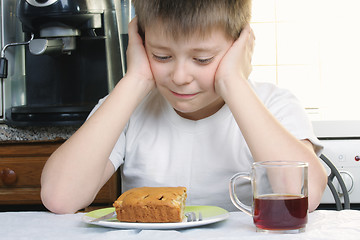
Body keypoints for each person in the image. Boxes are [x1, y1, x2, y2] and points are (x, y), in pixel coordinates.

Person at [40, 0, 327, 214]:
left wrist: (233, 81)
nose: (179, 77)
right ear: (140, 45)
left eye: (202, 59)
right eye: (161, 56)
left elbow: (306, 196)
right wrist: (136, 78)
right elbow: (60, 197)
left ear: (240, 48)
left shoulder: (273, 104)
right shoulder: (126, 106)